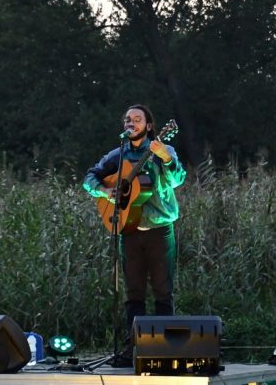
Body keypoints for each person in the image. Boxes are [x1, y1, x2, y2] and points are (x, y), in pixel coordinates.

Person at [83, 104, 186, 361]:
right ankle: (132, 349)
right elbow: (90, 178)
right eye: (128, 119)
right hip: (128, 230)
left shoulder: (164, 149)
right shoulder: (118, 155)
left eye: (137, 119)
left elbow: (178, 179)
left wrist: (165, 158)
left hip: (159, 230)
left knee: (163, 290)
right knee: (133, 291)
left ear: (149, 126)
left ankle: (165, 350)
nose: (131, 123)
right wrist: (105, 191)